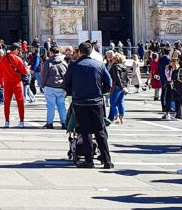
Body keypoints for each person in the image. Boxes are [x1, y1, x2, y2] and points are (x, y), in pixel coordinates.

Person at [64, 41, 115, 169]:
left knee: (85, 131)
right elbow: (108, 84)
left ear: (79, 52)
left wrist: (74, 93)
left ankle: (89, 160)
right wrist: (99, 92)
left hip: (80, 102)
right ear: (91, 51)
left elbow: (65, 84)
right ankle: (107, 161)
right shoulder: (100, 65)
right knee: (100, 131)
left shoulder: (73, 66)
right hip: (96, 102)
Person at [0, 43, 28, 128]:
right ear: (15, 49)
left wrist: (1, 83)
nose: (19, 52)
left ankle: (7, 121)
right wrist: (27, 69)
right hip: (17, 83)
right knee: (20, 102)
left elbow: (0, 73)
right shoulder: (17, 59)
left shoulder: (3, 59)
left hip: (7, 84)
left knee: (7, 103)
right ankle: (21, 121)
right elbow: (25, 72)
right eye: (19, 50)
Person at [40, 45, 68, 128]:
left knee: (50, 105)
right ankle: (64, 122)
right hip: (61, 87)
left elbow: (43, 75)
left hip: (49, 86)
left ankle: (50, 123)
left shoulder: (48, 63)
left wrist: (43, 85)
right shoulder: (64, 62)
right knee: (61, 105)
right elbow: (66, 75)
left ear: (51, 52)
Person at [108, 52, 127, 125]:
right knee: (120, 102)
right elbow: (127, 78)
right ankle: (121, 117)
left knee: (113, 102)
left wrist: (121, 86)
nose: (111, 60)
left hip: (116, 86)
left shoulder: (115, 67)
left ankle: (116, 117)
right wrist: (124, 87)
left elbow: (117, 77)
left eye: (113, 58)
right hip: (122, 87)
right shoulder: (124, 66)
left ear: (116, 59)